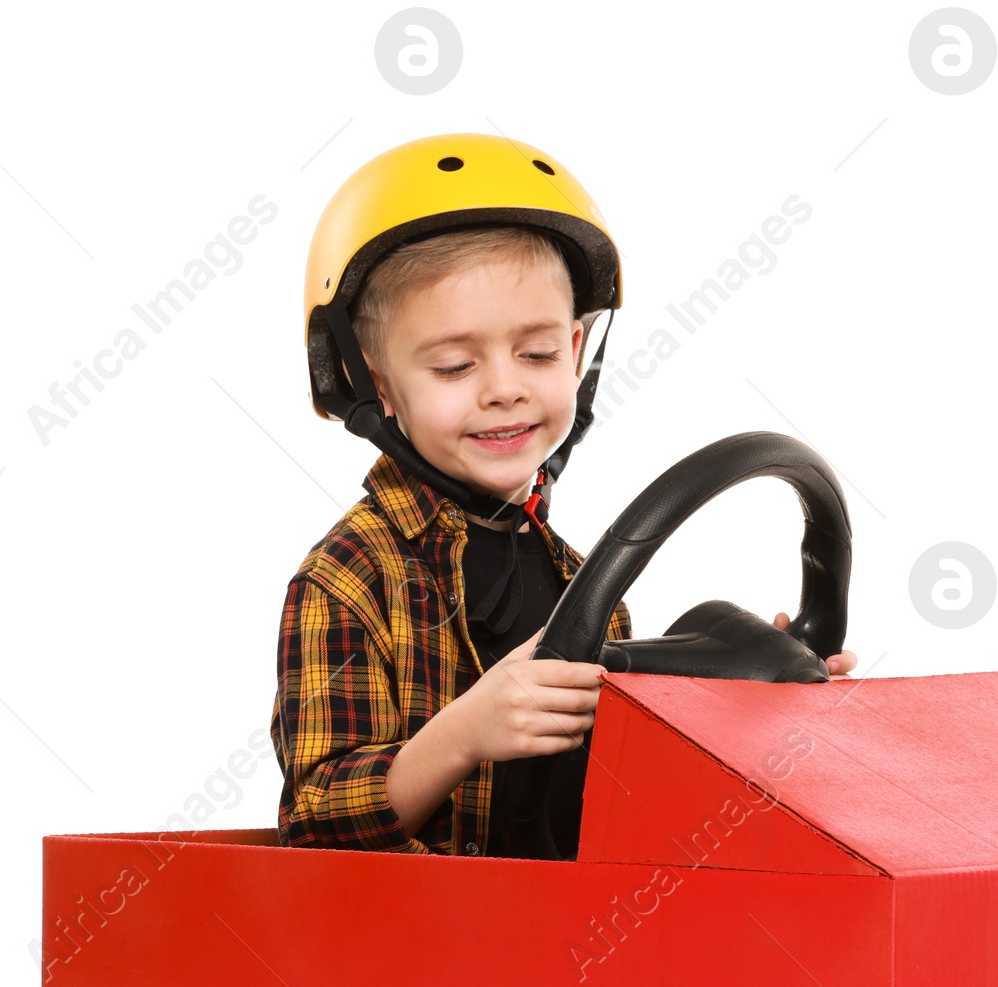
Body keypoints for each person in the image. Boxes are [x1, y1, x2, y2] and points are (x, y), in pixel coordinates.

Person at [271, 133, 854, 856]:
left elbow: (614, 805)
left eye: (539, 353)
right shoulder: (349, 579)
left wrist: (755, 691)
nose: (505, 388)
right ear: (375, 382)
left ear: (577, 353)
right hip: (415, 955)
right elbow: (315, 822)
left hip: (561, 947)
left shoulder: (594, 590)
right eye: (454, 366)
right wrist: (461, 734)